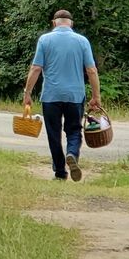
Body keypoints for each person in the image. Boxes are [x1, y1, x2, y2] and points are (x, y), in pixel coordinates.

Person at [22, 10, 102, 181]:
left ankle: (60, 172)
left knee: (54, 134)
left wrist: (27, 92)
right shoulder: (82, 41)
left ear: (54, 23)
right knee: (74, 130)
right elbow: (91, 70)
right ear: (71, 23)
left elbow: (36, 68)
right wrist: (96, 96)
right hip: (75, 96)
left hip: (51, 96)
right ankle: (71, 153)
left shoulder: (45, 40)